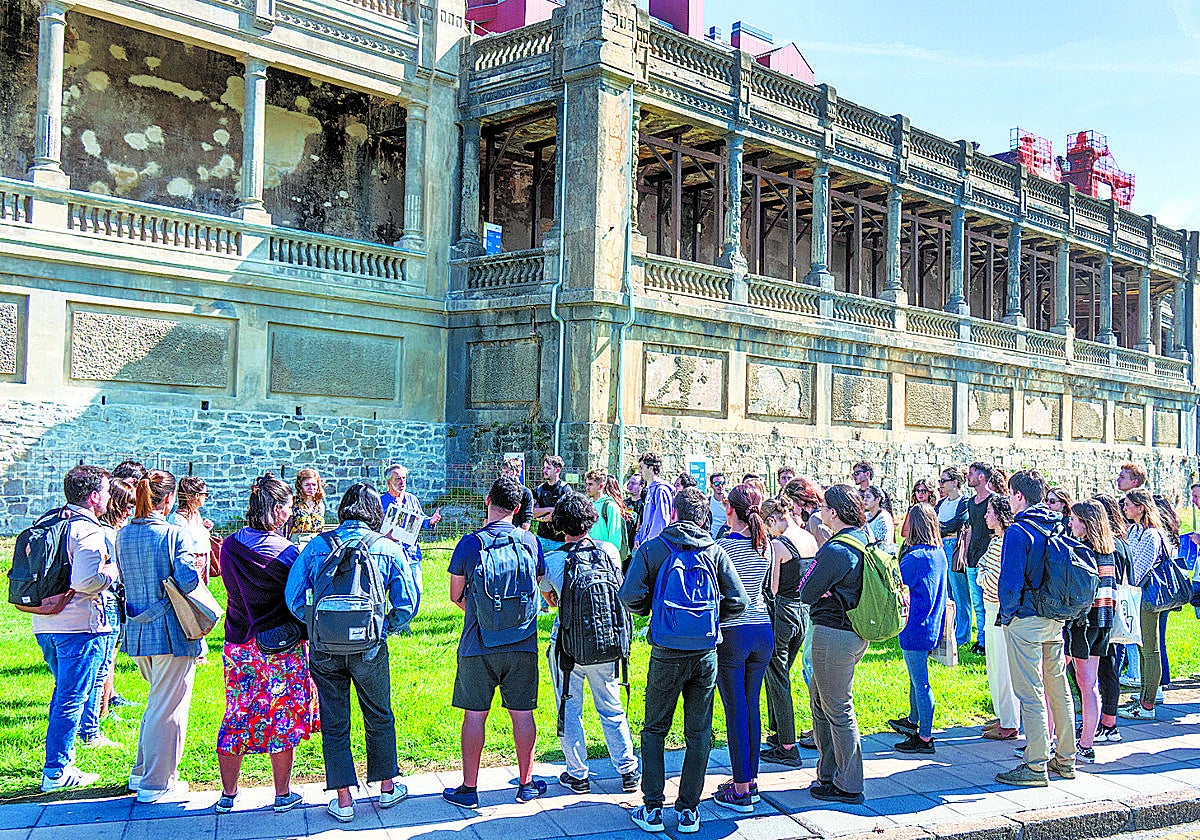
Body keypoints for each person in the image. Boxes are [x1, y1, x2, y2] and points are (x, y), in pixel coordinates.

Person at [285, 482, 418, 822]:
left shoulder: (317, 545)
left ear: (342, 510)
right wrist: (383, 626)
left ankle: (343, 799)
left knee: (334, 719)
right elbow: (409, 602)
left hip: (325, 647)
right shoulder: (386, 548)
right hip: (370, 645)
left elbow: (294, 596)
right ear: (376, 513)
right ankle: (387, 787)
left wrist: (316, 626)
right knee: (378, 713)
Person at [620, 487, 748, 834]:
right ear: (705, 517)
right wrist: (710, 618)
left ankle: (651, 807)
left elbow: (628, 596)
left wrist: (656, 611)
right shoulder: (716, 551)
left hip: (666, 649)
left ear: (673, 514)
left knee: (655, 728)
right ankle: (690, 809)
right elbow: (739, 601)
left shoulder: (654, 549)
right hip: (705, 652)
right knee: (699, 730)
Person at [443, 476, 548, 808]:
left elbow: (455, 595)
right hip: (522, 641)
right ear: (517, 509)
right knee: (522, 713)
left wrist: (481, 612)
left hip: (478, 642)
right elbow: (537, 584)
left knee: (474, 716)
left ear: (487, 500)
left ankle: (469, 789)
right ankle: (526, 784)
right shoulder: (531, 542)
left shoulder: (469, 543)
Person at [215, 474, 317, 814]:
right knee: (281, 718)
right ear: (275, 508)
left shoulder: (229, 546)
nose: (291, 513)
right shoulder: (288, 553)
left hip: (239, 643)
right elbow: (297, 597)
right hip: (280, 647)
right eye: (287, 507)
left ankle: (227, 795)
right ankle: (282, 794)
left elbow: (229, 587)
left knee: (237, 714)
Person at [539, 492, 640, 795]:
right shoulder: (608, 551)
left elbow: (551, 597)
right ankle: (628, 769)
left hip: (568, 646)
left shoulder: (554, 560)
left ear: (559, 523)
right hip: (606, 640)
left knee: (569, 708)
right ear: (590, 520)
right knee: (611, 706)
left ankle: (577, 773)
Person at [34, 465, 119, 793]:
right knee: (71, 696)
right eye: (107, 492)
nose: (109, 497)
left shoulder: (51, 521)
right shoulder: (87, 530)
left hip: (45, 621)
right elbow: (87, 581)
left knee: (64, 693)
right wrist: (112, 571)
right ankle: (56, 769)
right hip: (80, 625)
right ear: (94, 496)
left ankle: (58, 763)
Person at [118, 469, 201, 803]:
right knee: (168, 710)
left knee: (157, 703)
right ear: (168, 500)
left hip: (138, 631)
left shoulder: (123, 533)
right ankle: (156, 782)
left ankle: (142, 772)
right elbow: (188, 581)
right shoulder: (173, 534)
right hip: (171, 632)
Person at [994, 469, 1076, 787]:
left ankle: (1035, 764)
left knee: (1030, 691)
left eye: (1010, 494)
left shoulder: (1018, 530)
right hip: (1055, 616)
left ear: (1018, 496)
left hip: (1025, 618)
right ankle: (1066, 759)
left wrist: (1008, 614)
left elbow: (1010, 582)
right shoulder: (1059, 523)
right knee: (1059, 689)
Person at [802, 484, 869, 805]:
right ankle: (828, 773)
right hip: (854, 632)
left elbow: (806, 590)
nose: (821, 512)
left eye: (825, 507)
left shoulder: (835, 549)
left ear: (834, 512)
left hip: (834, 634)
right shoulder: (863, 540)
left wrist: (820, 586)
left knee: (838, 709)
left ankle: (849, 783)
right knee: (820, 700)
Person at [712, 485, 775, 813]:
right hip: (763, 627)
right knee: (753, 705)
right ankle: (750, 779)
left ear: (730, 511)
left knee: (736, 709)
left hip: (734, 630)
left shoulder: (722, 547)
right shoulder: (766, 545)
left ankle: (740, 788)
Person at [759, 497, 817, 768]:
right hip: (804, 610)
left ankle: (787, 745)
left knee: (778, 676)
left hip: (783, 611)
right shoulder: (808, 536)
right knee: (780, 674)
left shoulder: (779, 544)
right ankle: (778, 731)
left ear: (771, 520)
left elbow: (771, 587)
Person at [79, 477, 136, 749]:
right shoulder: (106, 532)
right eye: (125, 505)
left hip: (109, 600)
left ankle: (96, 719)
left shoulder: (110, 530)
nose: (129, 511)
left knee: (102, 665)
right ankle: (90, 730)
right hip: (108, 600)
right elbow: (112, 571)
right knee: (100, 668)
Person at [889, 503, 947, 754]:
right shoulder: (938, 553)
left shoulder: (913, 558)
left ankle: (925, 737)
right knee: (916, 678)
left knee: (921, 683)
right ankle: (914, 720)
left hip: (914, 625)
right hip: (932, 622)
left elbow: (896, 584)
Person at [1065, 500, 1116, 764]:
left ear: (1086, 522)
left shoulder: (1082, 550)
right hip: (1104, 620)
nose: (1070, 523)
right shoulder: (1109, 550)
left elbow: (1078, 592)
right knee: (1089, 685)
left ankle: (1054, 740)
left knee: (1058, 680)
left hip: (1082, 624)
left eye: (1074, 519)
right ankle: (1086, 743)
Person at [1118, 488, 1171, 721]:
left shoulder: (1151, 535)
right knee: (1141, 649)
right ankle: (1142, 699)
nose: (1125, 508)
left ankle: (1148, 704)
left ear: (1141, 507)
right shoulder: (1135, 530)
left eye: (1129, 504)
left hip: (1147, 597)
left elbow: (1139, 569)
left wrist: (1123, 583)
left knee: (1150, 649)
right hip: (1136, 596)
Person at [979, 494, 1019, 741]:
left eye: (989, 511)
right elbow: (983, 565)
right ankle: (1003, 715)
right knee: (994, 666)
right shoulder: (996, 541)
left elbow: (991, 578)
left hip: (998, 608)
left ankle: (1010, 722)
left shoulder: (1005, 542)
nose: (985, 516)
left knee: (1002, 668)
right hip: (990, 607)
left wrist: (981, 577)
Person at [1093, 494, 1131, 744]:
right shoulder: (1121, 542)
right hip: (1115, 608)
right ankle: (1106, 721)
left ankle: (1108, 722)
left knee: (1107, 668)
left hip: (1108, 609)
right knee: (1108, 667)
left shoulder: (1112, 545)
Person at [380, 464, 439, 620]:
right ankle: (396, 626)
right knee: (395, 591)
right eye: (397, 479)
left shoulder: (412, 499)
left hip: (411, 555)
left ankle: (407, 620)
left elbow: (420, 520)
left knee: (416, 590)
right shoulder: (381, 502)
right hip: (390, 555)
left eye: (404, 478)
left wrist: (431, 521)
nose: (402, 482)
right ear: (388, 482)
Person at [958, 463, 995, 656]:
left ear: (982, 477)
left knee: (989, 603)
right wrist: (965, 552)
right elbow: (970, 528)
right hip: (973, 558)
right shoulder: (971, 502)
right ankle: (981, 641)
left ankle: (989, 640)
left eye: (971, 474)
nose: (967, 476)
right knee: (977, 604)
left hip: (989, 560)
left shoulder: (994, 500)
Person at [935, 468, 971, 648]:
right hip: (941, 546)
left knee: (959, 593)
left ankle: (963, 634)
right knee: (946, 593)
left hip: (955, 547)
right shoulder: (941, 504)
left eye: (944, 480)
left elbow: (957, 523)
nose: (940, 484)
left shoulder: (964, 502)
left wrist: (938, 529)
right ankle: (948, 630)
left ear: (955, 482)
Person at [168, 476, 213, 585]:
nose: (206, 498)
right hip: (188, 569)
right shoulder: (178, 520)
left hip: (202, 566)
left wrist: (205, 528)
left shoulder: (196, 514)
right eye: (205, 494)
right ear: (197, 496)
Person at [530, 455, 573, 551]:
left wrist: (551, 516)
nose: (544, 471)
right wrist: (550, 510)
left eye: (548, 468)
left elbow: (568, 514)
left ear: (557, 470)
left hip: (560, 540)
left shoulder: (565, 489)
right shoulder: (539, 489)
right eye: (544, 467)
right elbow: (531, 512)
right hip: (542, 538)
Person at [634, 452, 674, 549]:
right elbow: (646, 522)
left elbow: (661, 523)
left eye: (641, 468)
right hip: (646, 545)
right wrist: (638, 538)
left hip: (654, 548)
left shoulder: (661, 490)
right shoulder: (650, 490)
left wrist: (647, 544)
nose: (639, 471)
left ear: (650, 468)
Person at [583, 468, 626, 553]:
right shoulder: (587, 504)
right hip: (588, 553)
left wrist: (611, 557)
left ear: (601, 486)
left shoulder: (610, 506)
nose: (587, 488)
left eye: (591, 484)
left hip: (604, 555)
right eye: (587, 484)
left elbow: (615, 538)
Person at [781, 476, 831, 548]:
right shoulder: (818, 514)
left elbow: (826, 550)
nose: (791, 510)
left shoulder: (815, 519)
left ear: (798, 500)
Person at [290, 467, 326, 545]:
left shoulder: (320, 504)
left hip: (316, 543)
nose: (311, 488)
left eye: (314, 485)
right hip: (297, 542)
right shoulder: (293, 503)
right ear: (300, 486)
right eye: (307, 485)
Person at [502, 457, 536, 531]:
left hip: (516, 533)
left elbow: (526, 521)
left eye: (507, 472)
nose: (504, 476)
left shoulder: (526, 493)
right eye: (503, 472)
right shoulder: (500, 491)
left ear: (517, 472)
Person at [863, 485, 897, 556]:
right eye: (864, 497)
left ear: (878, 499)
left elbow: (883, 545)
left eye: (868, 497)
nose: (865, 500)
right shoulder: (866, 516)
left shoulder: (883, 518)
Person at [708, 473, 729, 539]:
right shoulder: (708, 502)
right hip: (711, 538)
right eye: (716, 484)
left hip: (727, 538)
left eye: (722, 483)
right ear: (712, 485)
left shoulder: (731, 501)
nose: (720, 486)